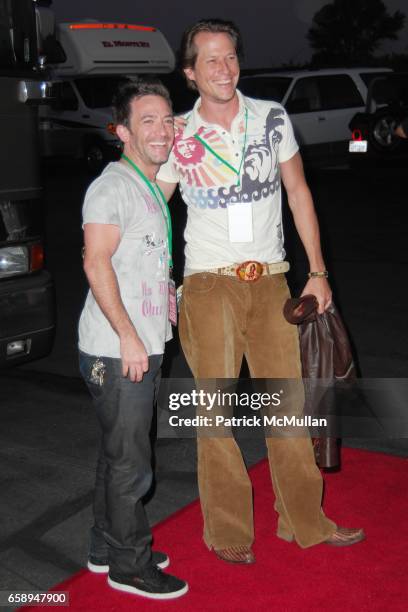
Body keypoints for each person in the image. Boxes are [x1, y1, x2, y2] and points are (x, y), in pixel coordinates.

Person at [157, 19, 365, 564]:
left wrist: (317, 273)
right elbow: (155, 206)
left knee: (289, 410)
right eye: (210, 61)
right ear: (190, 73)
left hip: (271, 279)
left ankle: (304, 522)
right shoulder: (178, 132)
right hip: (208, 284)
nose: (223, 69)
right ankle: (227, 529)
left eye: (230, 57)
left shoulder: (270, 117)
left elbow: (298, 193)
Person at [78, 79, 188, 599]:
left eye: (166, 118)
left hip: (140, 341)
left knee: (115, 453)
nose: (161, 129)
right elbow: (94, 261)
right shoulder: (110, 186)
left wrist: (179, 130)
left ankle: (104, 547)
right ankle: (130, 564)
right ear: (120, 131)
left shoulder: (145, 184)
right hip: (117, 347)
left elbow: (167, 173)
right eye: (147, 120)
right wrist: (127, 336)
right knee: (131, 463)